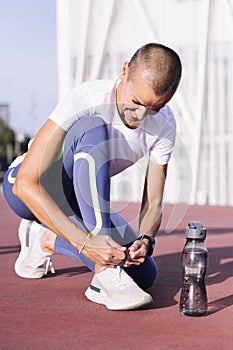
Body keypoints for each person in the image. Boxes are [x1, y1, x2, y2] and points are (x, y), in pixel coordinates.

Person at [3, 43, 182, 311]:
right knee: (92, 128)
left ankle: (44, 238)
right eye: (136, 102)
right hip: (31, 188)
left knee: (145, 275)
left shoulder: (164, 125)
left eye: (154, 108)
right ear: (124, 71)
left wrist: (146, 241)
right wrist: (86, 244)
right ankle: (104, 274)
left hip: (81, 201)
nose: (141, 116)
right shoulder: (86, 98)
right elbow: (26, 184)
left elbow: (153, 202)